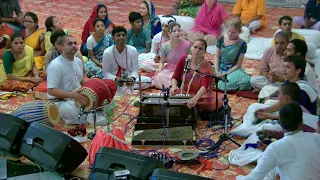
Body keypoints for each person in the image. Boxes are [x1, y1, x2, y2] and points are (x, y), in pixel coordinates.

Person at [229, 82, 319, 167]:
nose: (277, 96)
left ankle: (253, 153)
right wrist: (271, 133)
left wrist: (269, 146)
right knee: (264, 129)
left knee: (267, 154)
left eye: (279, 94)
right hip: (297, 143)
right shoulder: (291, 108)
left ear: (286, 98)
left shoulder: (298, 112)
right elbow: (288, 134)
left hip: (304, 151)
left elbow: (295, 140)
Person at [232, 55, 318, 137]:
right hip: (288, 111)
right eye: (283, 66)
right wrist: (265, 110)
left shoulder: (302, 89)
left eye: (288, 67)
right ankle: (246, 127)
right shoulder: (290, 80)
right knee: (254, 106)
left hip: (302, 123)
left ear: (298, 71)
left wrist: (269, 115)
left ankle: (250, 130)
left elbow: (295, 116)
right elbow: (282, 102)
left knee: (268, 125)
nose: (283, 70)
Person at [236, 102, 320, 180]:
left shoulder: (275, 147)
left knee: (266, 162)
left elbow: (254, 178)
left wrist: (238, 178)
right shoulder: (317, 138)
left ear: (280, 123)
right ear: (302, 122)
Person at [170, 38, 223, 112]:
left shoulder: (206, 66)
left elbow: (205, 86)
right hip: (184, 92)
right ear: (191, 47)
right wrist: (174, 86)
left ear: (205, 52)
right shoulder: (184, 60)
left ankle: (193, 106)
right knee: (167, 95)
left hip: (200, 95)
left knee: (215, 102)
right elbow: (175, 77)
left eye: (200, 49)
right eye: (195, 47)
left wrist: (195, 98)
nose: (197, 50)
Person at [47, 35, 89, 124]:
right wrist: (72, 95)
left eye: (75, 43)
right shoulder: (55, 65)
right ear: (62, 47)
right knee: (73, 112)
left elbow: (81, 82)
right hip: (60, 101)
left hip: (76, 96)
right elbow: (51, 91)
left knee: (98, 101)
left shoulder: (78, 61)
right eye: (70, 44)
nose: (74, 45)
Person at [214, 18, 251, 91]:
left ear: (239, 32)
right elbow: (217, 57)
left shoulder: (242, 44)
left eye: (233, 32)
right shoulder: (221, 39)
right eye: (229, 31)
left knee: (246, 81)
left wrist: (226, 74)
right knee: (203, 73)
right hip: (219, 67)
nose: (230, 34)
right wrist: (216, 71)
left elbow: (238, 64)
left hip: (232, 70)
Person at [153, 22, 190, 89]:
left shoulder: (187, 45)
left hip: (183, 70)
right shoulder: (165, 47)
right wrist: (159, 69)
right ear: (169, 33)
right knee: (159, 76)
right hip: (169, 70)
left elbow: (191, 58)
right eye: (174, 31)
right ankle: (173, 86)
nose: (177, 33)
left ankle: (175, 85)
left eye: (178, 31)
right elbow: (162, 61)